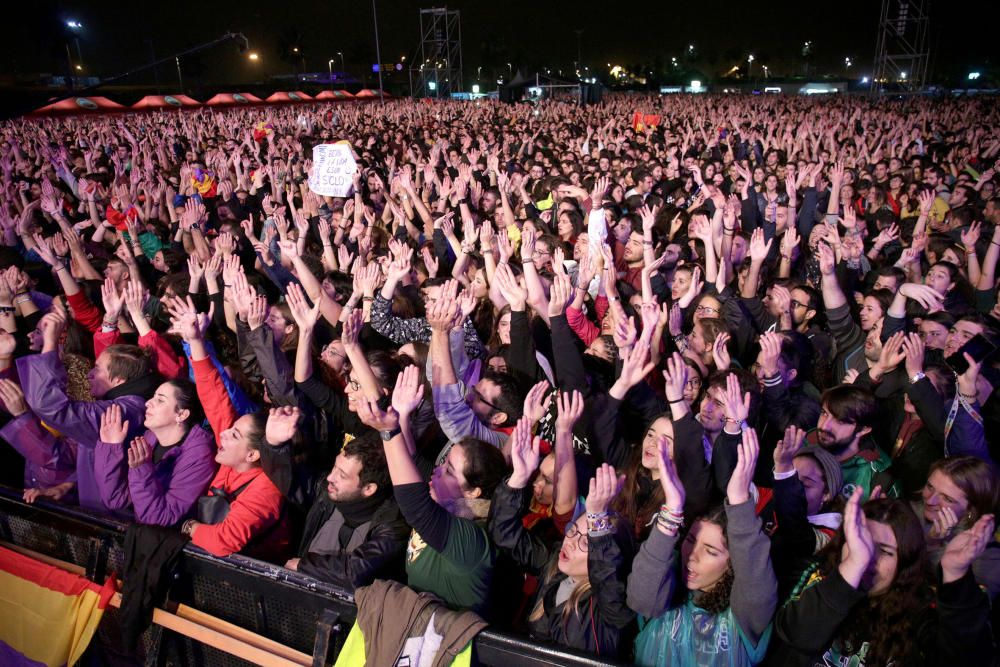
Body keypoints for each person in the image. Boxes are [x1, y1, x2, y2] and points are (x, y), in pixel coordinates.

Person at [768, 490, 996, 666]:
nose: (867, 557)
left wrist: (955, 575)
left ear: (904, 563)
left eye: (885, 551)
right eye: (862, 542)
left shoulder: (920, 609)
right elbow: (794, 636)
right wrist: (851, 569)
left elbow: (967, 659)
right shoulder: (815, 573)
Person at [357, 363, 507, 615]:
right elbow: (412, 463)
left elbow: (415, 506)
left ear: (473, 492)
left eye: (449, 471)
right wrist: (402, 415)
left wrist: (388, 431)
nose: (438, 470)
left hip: (444, 646)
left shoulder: (473, 541)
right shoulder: (446, 499)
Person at [628, 427, 777, 666]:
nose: (692, 557)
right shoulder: (664, 586)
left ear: (732, 564)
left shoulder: (745, 617)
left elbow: (754, 579)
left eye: (710, 550)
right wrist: (672, 508)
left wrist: (739, 502)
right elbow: (641, 600)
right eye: (690, 541)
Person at [490, 418, 634, 656]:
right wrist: (518, 478)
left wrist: (597, 519)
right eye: (573, 532)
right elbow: (504, 536)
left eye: (587, 542)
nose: (571, 542)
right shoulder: (554, 564)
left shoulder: (609, 607)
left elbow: (607, 574)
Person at [168, 297, 290, 561]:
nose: (222, 433)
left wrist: (189, 526)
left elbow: (225, 541)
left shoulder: (266, 489)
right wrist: (195, 341)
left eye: (234, 434)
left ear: (253, 455)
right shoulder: (233, 452)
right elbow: (213, 394)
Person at [285, 431, 410, 590]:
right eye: (335, 467)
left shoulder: (393, 524)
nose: (331, 477)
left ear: (369, 488)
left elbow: (357, 570)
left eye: (342, 475)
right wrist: (274, 447)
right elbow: (289, 480)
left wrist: (304, 566)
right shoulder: (327, 490)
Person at [92, 379, 216, 526]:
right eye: (153, 397)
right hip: (141, 536)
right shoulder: (149, 438)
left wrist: (141, 469)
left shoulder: (199, 455)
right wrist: (110, 448)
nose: (148, 402)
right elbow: (115, 499)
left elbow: (160, 519)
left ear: (181, 414)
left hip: (169, 544)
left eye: (160, 400)